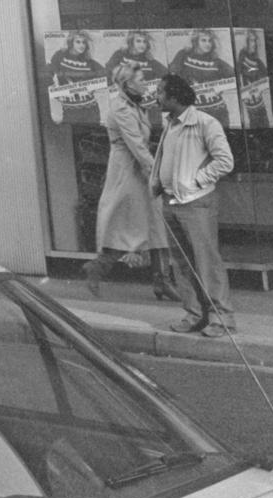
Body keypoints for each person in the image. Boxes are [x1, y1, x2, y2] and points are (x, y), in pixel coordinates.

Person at [88, 63, 177, 304]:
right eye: (141, 80)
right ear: (127, 84)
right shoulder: (121, 108)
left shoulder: (136, 105)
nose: (145, 84)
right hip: (127, 171)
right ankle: (98, 267)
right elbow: (136, 145)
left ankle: (163, 280)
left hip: (138, 169)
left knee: (155, 223)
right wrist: (156, 174)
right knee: (128, 225)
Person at [155, 72, 235, 333]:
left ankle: (221, 319)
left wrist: (196, 181)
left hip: (196, 202)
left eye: (160, 92)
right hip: (171, 202)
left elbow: (225, 161)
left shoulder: (204, 123)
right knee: (182, 263)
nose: (156, 97)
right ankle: (194, 315)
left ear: (175, 96)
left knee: (206, 261)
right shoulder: (170, 124)